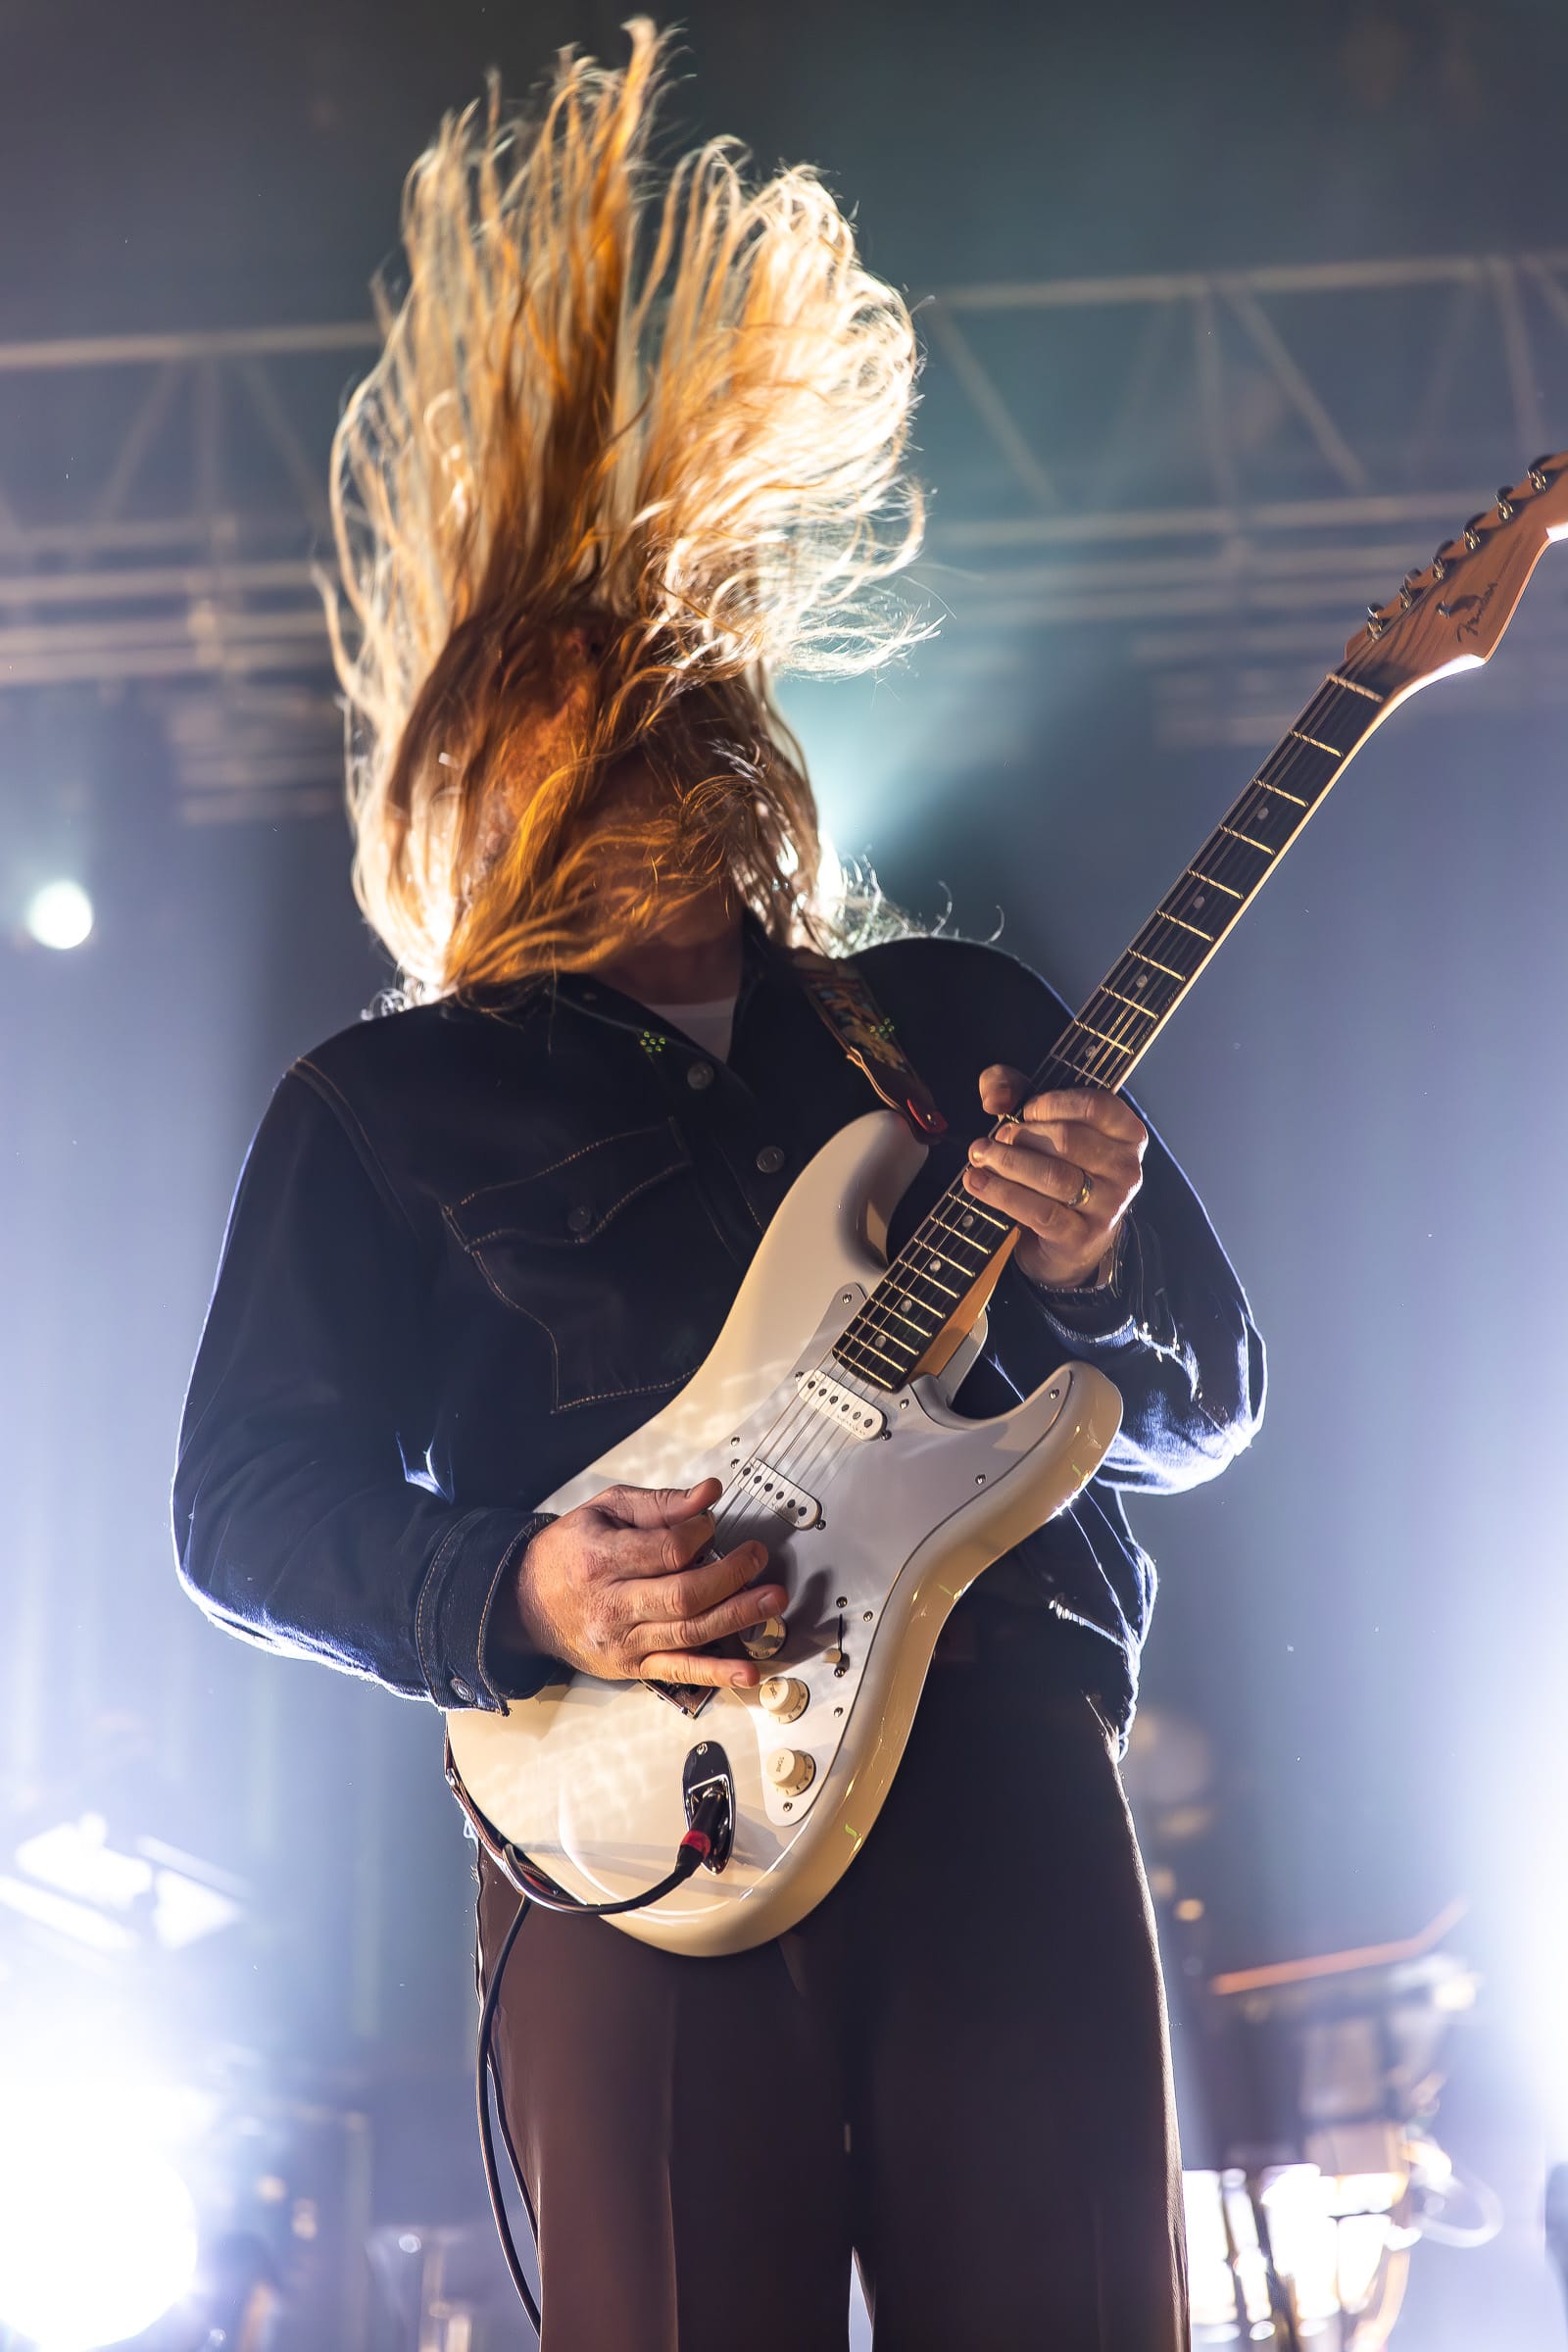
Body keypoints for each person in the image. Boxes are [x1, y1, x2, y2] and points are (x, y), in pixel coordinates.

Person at [174, 25, 1264, 2349]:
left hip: (992, 1747)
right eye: (574, 722)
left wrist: (1092, 1266)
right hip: (632, 1802)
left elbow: (1204, 1400)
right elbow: (242, 1506)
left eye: (667, 694)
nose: (636, 745)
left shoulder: (945, 1012)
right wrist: (523, 1584)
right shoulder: (384, 1107)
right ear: (482, 780)